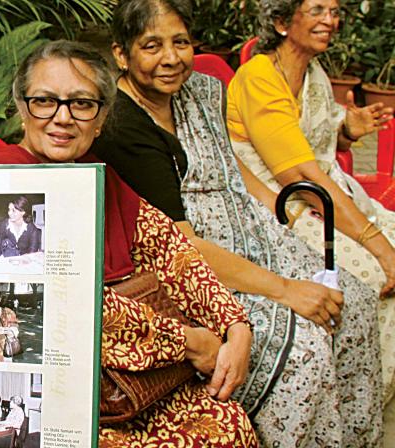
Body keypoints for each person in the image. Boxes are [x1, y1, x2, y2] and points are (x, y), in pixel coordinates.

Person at [90, 0, 384, 445]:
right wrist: (285, 289)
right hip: (200, 266)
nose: (171, 58)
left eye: (181, 42)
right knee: (303, 342)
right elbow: (181, 247)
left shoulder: (202, 93)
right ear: (121, 54)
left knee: (355, 300)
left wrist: (278, 213)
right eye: (152, 46)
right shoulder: (123, 126)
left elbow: (229, 166)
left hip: (253, 235)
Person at [0, 40, 256, 446]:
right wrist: (190, 341)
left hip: (138, 381)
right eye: (44, 101)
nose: (62, 118)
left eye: (81, 104)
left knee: (225, 423)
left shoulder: (102, 178)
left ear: (101, 116)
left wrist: (234, 325)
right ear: (22, 108)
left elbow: (174, 255)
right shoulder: (1, 180)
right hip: (70, 390)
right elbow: (71, 305)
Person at [227, 0, 395, 400]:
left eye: (335, 12)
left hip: (326, 195)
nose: (330, 21)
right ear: (283, 22)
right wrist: (380, 248)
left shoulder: (311, 72)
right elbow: (301, 176)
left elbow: (311, 143)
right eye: (318, 10)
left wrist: (347, 132)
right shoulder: (260, 78)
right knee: (374, 274)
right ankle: (358, 398)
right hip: (285, 206)